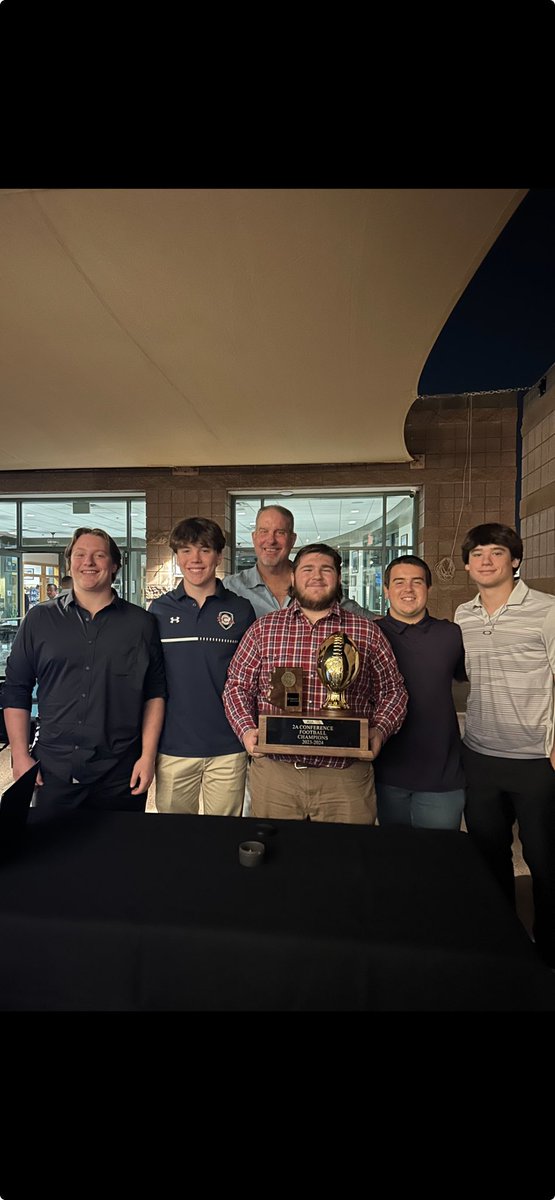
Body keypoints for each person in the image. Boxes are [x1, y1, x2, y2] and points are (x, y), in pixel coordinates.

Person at [223, 542, 408, 823]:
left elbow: (393, 691)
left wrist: (380, 731)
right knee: (277, 857)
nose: (317, 576)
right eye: (307, 569)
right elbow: (237, 685)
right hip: (276, 775)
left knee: (346, 860)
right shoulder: (264, 629)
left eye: (326, 569)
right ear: (294, 578)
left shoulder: (366, 631)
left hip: (345, 777)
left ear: (338, 578)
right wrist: (247, 732)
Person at [1, 526, 167, 818]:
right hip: (54, 770)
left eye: (99, 555)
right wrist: (19, 755)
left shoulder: (141, 624)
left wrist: (148, 756)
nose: (88, 562)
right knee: (54, 858)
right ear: (70, 563)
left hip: (120, 772)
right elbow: (16, 689)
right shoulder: (39, 619)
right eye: (80, 554)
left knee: (119, 858)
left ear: (114, 565)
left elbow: (154, 693)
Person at [454, 522, 555, 969]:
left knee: (544, 860)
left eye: (496, 552)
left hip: (537, 758)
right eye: (478, 554)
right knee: (488, 854)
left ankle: (549, 952)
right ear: (467, 564)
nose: (487, 561)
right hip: (480, 755)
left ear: (515, 560)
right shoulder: (463, 615)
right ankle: (502, 946)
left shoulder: (547, 610)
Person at [149, 518, 256, 816]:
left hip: (229, 746)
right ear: (177, 557)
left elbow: (250, 678)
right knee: (173, 839)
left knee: (222, 838)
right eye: (185, 551)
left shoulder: (240, 609)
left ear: (219, 556)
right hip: (173, 746)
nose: (194, 560)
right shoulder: (158, 610)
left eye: (204, 550)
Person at [373, 555, 467, 829]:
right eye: (399, 582)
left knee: (438, 860)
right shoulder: (371, 635)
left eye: (417, 582)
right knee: (394, 859)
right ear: (386, 590)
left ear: (428, 588)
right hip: (384, 772)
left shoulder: (451, 635)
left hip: (442, 775)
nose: (408, 589)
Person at [223, 504, 379, 619]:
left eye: (280, 532)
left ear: (292, 539)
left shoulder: (312, 582)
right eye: (264, 532)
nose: (271, 540)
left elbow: (371, 620)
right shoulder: (230, 588)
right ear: (254, 537)